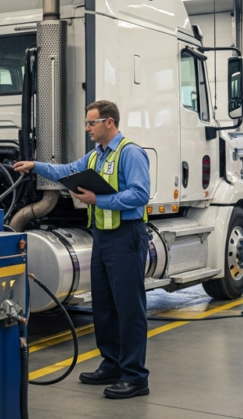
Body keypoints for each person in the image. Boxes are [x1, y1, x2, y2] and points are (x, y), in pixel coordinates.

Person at [13, 100, 151, 399]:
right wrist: (35, 166)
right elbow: (67, 171)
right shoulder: (95, 156)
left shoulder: (130, 153)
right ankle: (111, 364)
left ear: (109, 122)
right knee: (104, 305)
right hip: (102, 236)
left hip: (126, 236)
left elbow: (141, 194)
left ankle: (135, 377)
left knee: (129, 308)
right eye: (86, 122)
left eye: (91, 122)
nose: (87, 128)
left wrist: (98, 201)